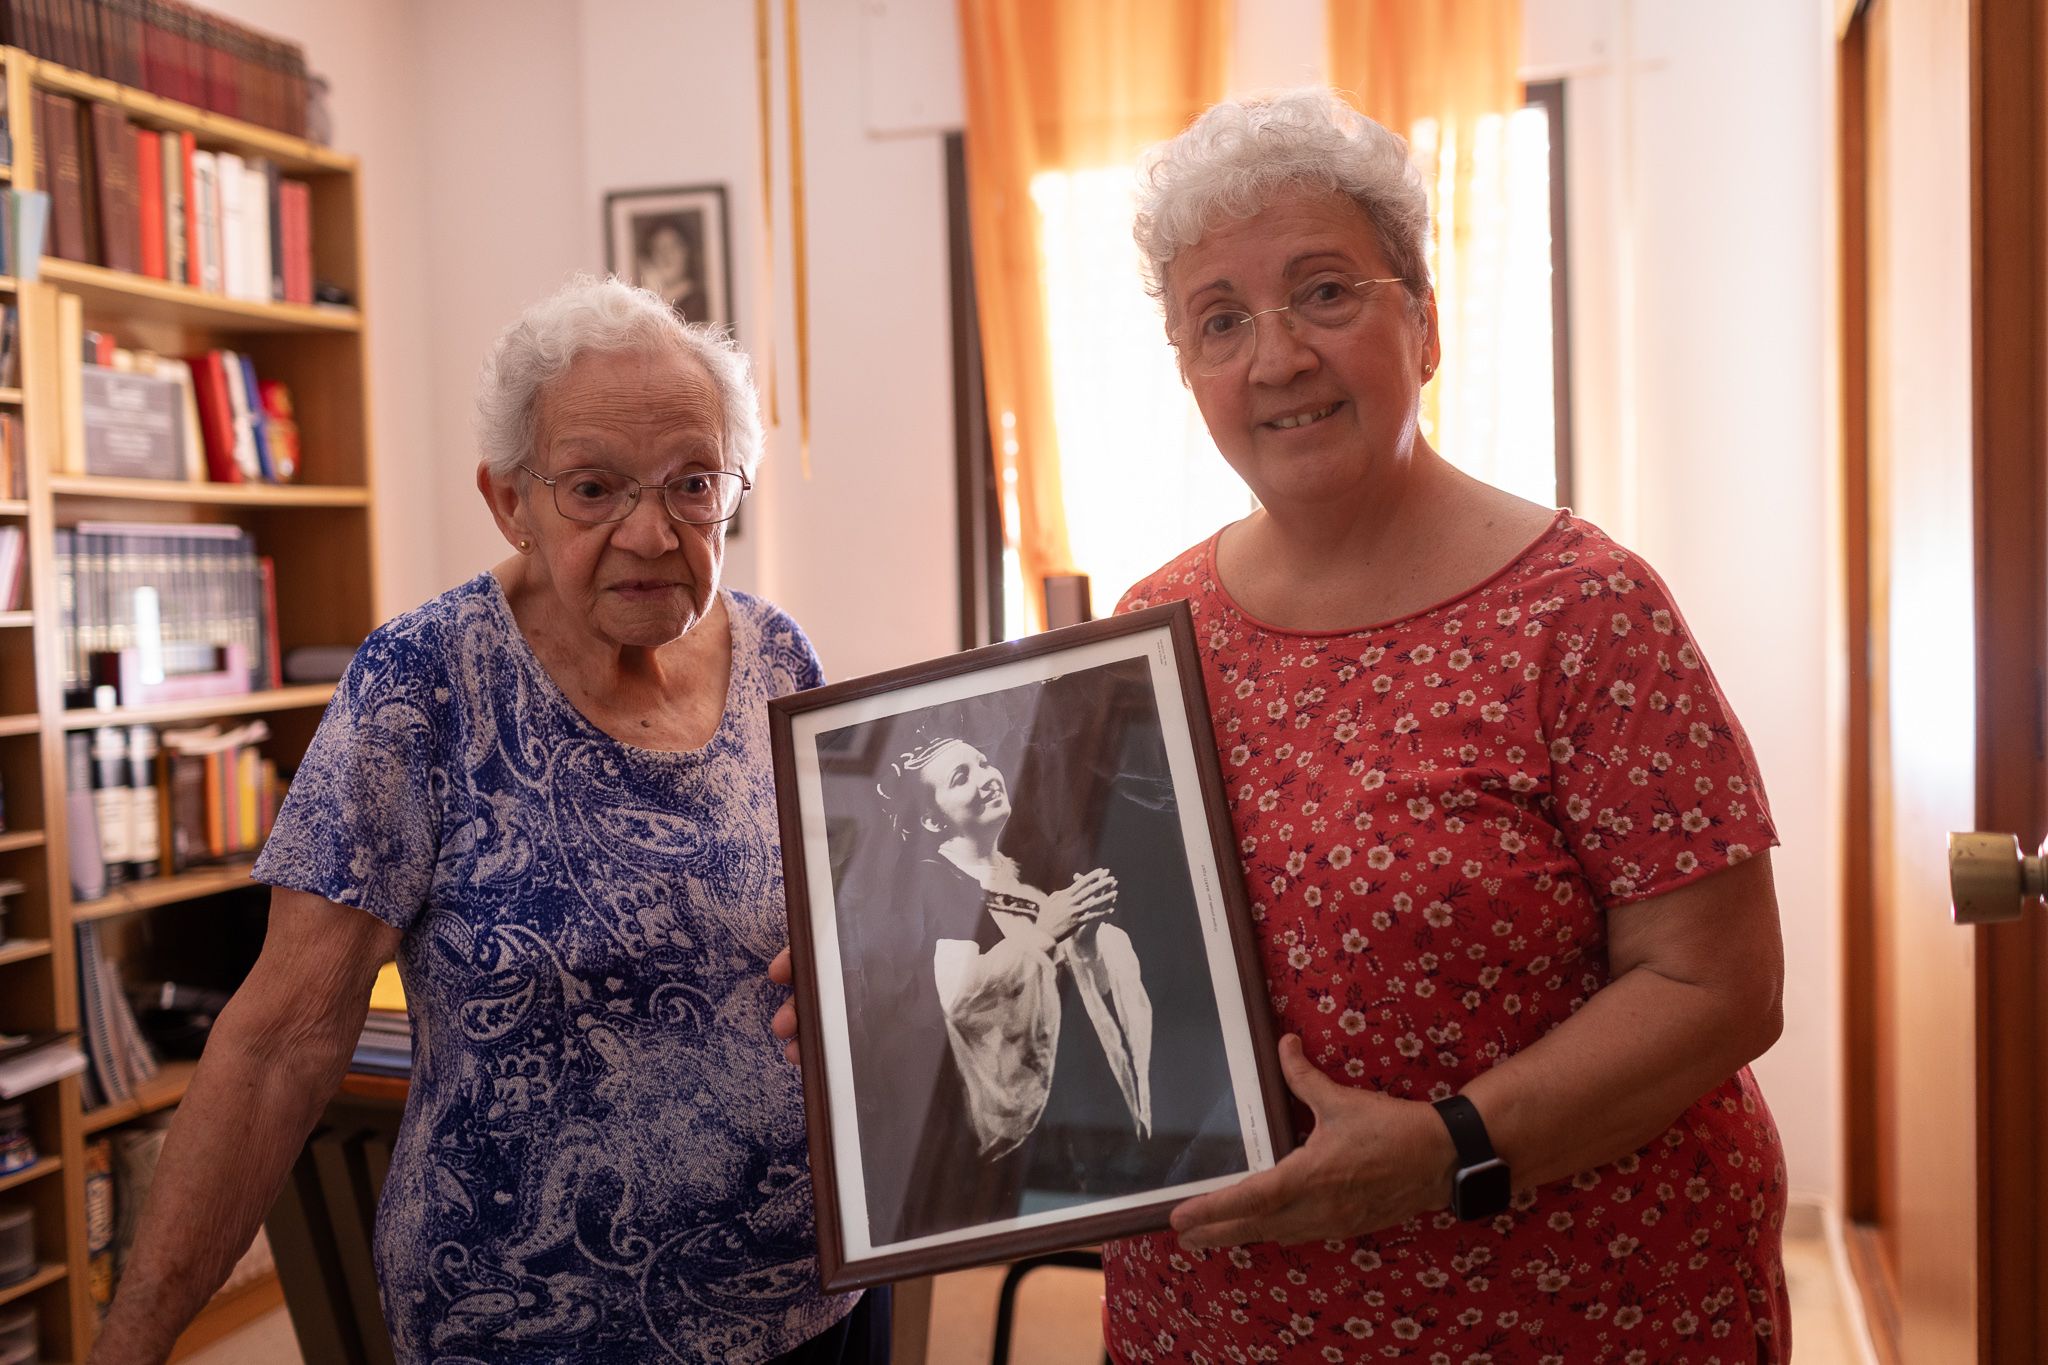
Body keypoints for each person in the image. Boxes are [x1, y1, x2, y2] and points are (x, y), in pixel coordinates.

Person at [1085, 86, 1791, 1362]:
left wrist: (1445, 1152)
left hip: (1572, 1308)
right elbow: (1093, 923)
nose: (1278, 357)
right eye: (1221, 321)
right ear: (1188, 372)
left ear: (1423, 321)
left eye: (1324, 292)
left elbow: (1718, 986)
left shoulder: (1582, 610)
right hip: (1226, 1319)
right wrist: (891, 968)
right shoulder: (1151, 628)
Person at [90, 277, 887, 1365]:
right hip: (533, 1326)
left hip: (812, 1300)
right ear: (510, 500)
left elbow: (835, 925)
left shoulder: (776, 655)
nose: (652, 533)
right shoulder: (422, 686)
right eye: (594, 489)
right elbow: (282, 1038)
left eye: (692, 485)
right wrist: (132, 1341)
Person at [845, 734, 1153, 1243]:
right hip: (1008, 1120)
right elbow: (958, 995)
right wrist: (1047, 931)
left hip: (1079, 1094)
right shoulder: (935, 883)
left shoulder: (1018, 883)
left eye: (984, 761)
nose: (987, 776)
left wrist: (1089, 938)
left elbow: (1064, 976)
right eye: (960, 777)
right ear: (930, 820)